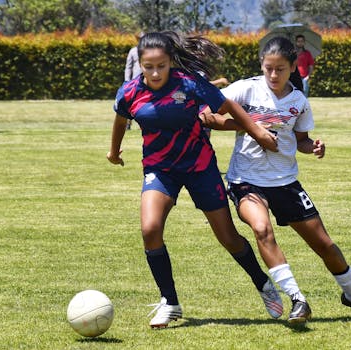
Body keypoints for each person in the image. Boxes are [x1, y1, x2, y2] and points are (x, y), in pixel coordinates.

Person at [201, 36, 351, 321]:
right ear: (261, 65)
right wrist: (253, 127)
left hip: (286, 182)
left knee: (325, 245)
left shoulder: (298, 101)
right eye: (268, 68)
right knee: (261, 229)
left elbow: (301, 140)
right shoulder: (246, 89)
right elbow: (209, 114)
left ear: (292, 67)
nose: (273, 75)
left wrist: (313, 147)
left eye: (280, 69)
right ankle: (297, 299)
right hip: (245, 180)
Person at [107, 31, 283, 328]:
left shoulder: (189, 84)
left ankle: (262, 282)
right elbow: (121, 120)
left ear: (170, 61)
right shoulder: (129, 92)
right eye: (148, 66)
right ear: (140, 64)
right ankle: (170, 302)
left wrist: (257, 131)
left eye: (161, 65)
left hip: (200, 167)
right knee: (150, 229)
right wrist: (113, 152)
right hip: (160, 170)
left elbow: (229, 108)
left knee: (228, 238)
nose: (154, 72)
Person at [123, 32, 145, 130]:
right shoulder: (133, 51)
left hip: (147, 81)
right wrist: (127, 80)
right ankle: (128, 123)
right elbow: (128, 67)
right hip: (134, 81)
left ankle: (144, 124)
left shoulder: (150, 51)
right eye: (140, 38)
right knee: (130, 103)